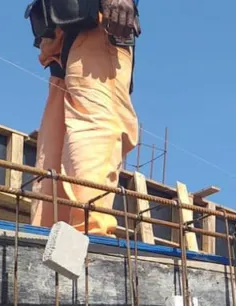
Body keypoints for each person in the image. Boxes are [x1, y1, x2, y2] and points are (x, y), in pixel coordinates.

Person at [25, 0, 141, 236]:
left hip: (65, 38)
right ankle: (90, 232)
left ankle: (48, 234)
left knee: (57, 142)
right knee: (100, 126)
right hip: (96, 28)